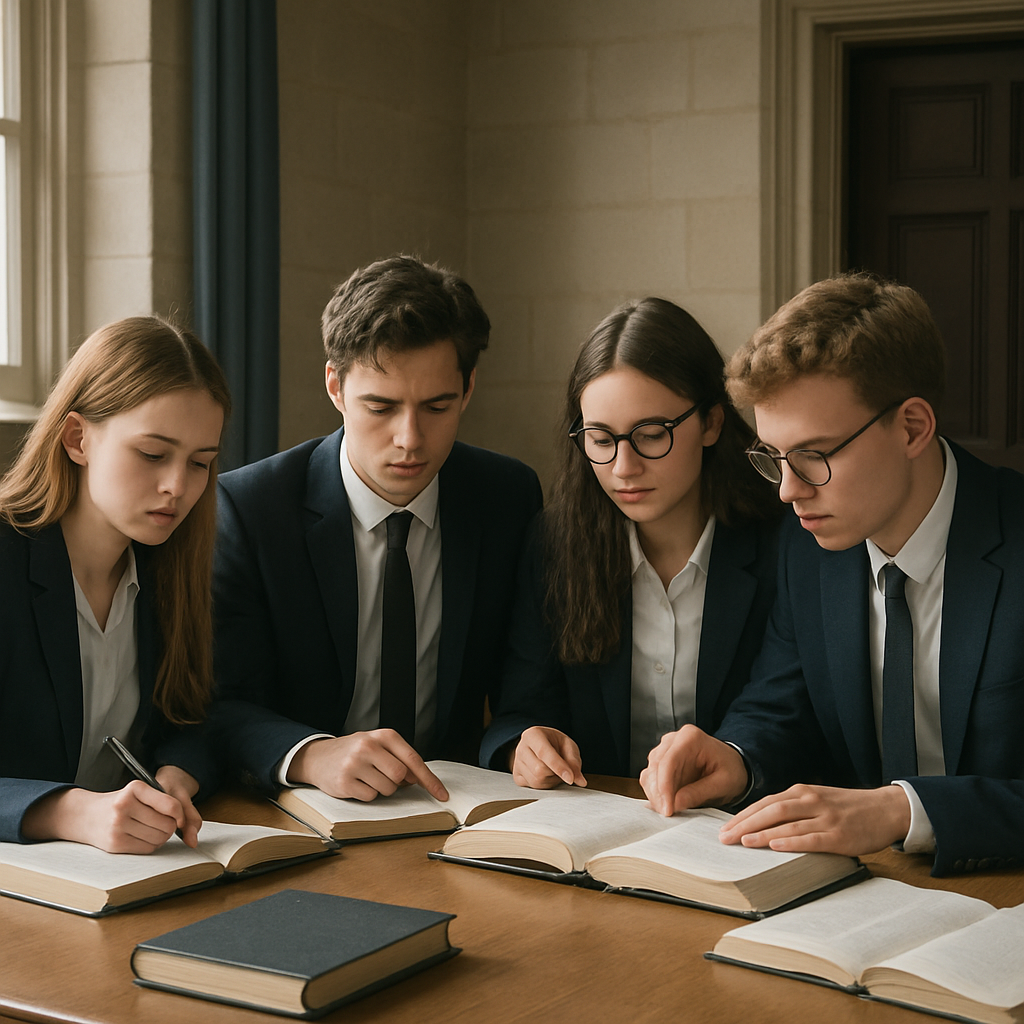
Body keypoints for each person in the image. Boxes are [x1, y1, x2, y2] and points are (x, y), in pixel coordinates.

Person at [640, 272, 1024, 876]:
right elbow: (781, 701)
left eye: (814, 455)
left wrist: (904, 810)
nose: (789, 491)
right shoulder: (809, 543)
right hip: (867, 896)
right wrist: (735, 754)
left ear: (913, 427)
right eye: (774, 458)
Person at [212, 255, 542, 803]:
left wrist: (522, 737)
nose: (410, 438)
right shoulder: (252, 508)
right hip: (304, 812)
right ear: (335, 388)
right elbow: (218, 703)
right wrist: (311, 753)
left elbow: (523, 685)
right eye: (380, 407)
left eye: (437, 406)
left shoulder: (507, 497)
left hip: (456, 806)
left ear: (468, 388)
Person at [480, 298, 780, 786]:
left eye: (651, 434)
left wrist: (738, 758)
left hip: (738, 827)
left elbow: (790, 713)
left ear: (711, 423)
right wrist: (525, 744)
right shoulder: (554, 543)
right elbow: (522, 708)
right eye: (601, 439)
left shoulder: (782, 541)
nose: (623, 468)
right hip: (599, 829)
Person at [0, 316, 230, 851]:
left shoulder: (169, 565)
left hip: (124, 874)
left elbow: (194, 717)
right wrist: (63, 812)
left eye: (201, 463)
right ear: (77, 439)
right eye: (152, 454)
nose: (177, 486)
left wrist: (177, 772)